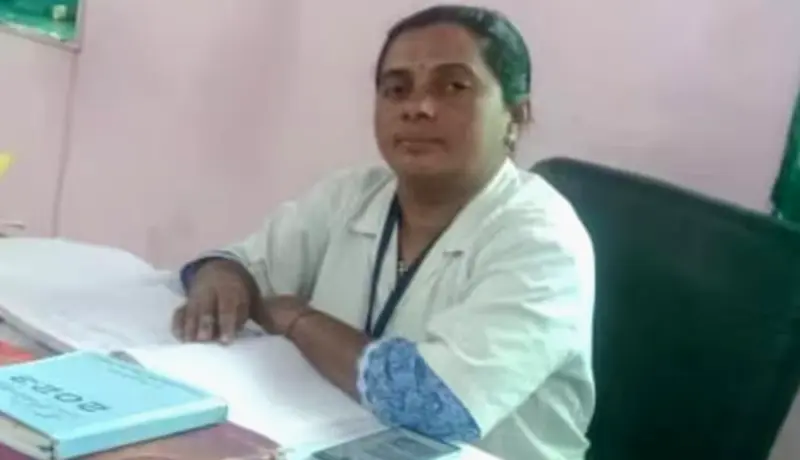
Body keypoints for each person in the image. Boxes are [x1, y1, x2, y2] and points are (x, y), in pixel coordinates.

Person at [173, 5, 595, 460]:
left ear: (516, 116)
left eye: (453, 86)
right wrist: (223, 276)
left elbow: (436, 405)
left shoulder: (541, 240)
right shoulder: (352, 195)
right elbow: (243, 264)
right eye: (397, 90)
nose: (417, 108)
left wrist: (299, 321)